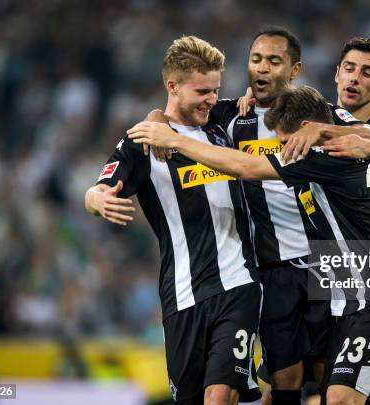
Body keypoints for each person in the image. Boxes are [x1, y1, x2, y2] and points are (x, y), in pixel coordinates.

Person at [144, 27, 370, 405]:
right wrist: (156, 119)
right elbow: (177, 108)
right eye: (256, 59)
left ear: (294, 69)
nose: (262, 68)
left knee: (330, 375)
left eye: (274, 61)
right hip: (271, 268)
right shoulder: (231, 116)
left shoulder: (318, 116)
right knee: (284, 377)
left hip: (326, 265)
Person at [85, 35, 261, 405]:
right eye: (202, 91)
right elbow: (97, 188)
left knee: (221, 395)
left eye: (216, 90)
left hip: (238, 284)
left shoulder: (224, 124)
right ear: (172, 86)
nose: (212, 99)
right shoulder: (142, 141)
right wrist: (97, 199)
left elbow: (268, 108)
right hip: (182, 296)